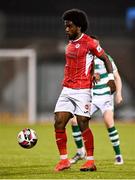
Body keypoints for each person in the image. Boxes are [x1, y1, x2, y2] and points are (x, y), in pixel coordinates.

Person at [54, 8, 116, 172]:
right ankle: (64, 160)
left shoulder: (90, 42)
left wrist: (110, 79)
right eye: (65, 26)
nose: (67, 29)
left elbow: (105, 59)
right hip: (67, 89)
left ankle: (90, 161)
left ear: (79, 26)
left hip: (82, 90)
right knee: (59, 123)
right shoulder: (70, 42)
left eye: (70, 26)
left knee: (82, 124)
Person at [70, 54, 124, 165]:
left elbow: (117, 77)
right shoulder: (85, 60)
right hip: (92, 97)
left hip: (105, 97)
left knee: (109, 122)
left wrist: (118, 93)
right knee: (74, 121)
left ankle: (118, 156)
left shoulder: (107, 58)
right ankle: (80, 152)